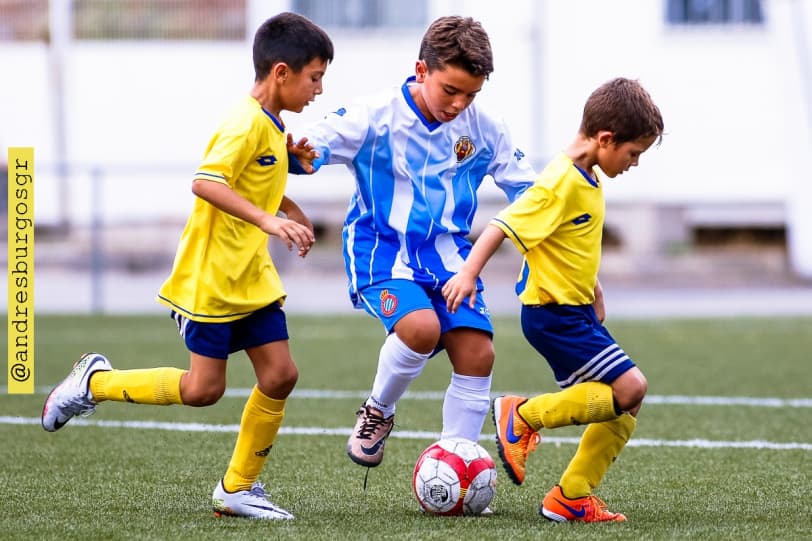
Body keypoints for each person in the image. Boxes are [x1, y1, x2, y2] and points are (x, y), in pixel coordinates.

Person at [40, 12, 334, 521]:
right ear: (281, 73)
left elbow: (253, 175)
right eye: (315, 77)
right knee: (204, 390)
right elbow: (206, 183)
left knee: (281, 374)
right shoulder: (242, 122)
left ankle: (237, 489)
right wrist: (269, 218)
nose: (319, 90)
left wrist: (289, 203)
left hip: (250, 276)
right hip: (211, 279)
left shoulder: (271, 124)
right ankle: (95, 383)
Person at [293, 15, 536, 470]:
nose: (459, 104)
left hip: (450, 258)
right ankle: (377, 412)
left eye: (471, 94)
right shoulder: (376, 116)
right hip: (380, 252)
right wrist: (301, 154)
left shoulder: (485, 126)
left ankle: (456, 463)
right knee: (421, 328)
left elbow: (530, 192)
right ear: (422, 71)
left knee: (478, 353)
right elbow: (314, 144)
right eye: (451, 90)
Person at [442, 77, 664, 523]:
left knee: (626, 401)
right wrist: (468, 272)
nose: (634, 163)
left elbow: (566, 243)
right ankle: (522, 415)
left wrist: (593, 287)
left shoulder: (587, 177)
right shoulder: (558, 181)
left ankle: (570, 496)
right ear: (605, 139)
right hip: (553, 315)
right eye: (633, 153)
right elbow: (503, 224)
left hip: (574, 310)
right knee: (631, 386)